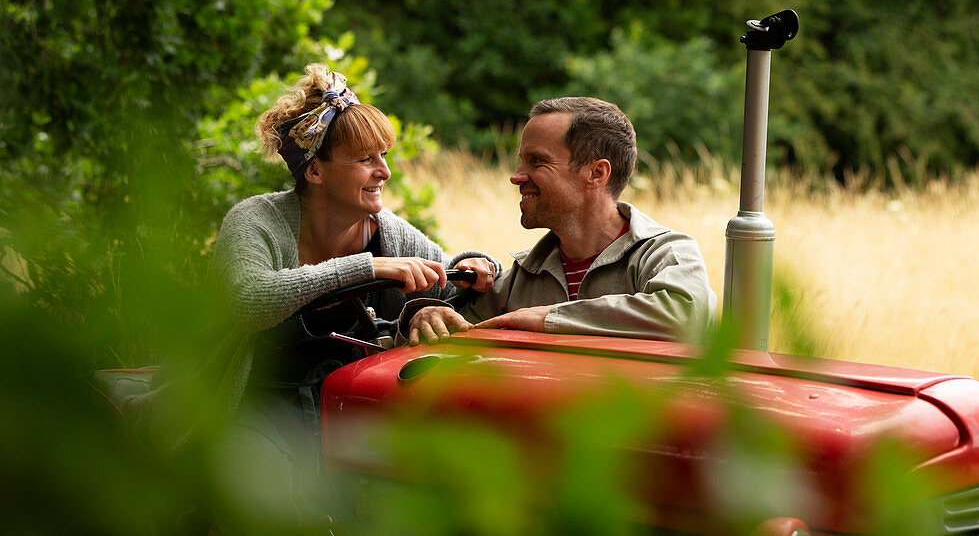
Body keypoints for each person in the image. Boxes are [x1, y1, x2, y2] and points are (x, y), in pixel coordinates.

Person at [130, 65, 498, 531]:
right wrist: (364, 268)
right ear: (316, 169)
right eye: (366, 158)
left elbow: (449, 278)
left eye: (384, 155)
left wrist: (471, 271)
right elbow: (249, 302)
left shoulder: (390, 233)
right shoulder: (256, 220)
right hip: (246, 403)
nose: (384, 171)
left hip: (341, 407)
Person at [401, 96, 715, 347]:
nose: (516, 176)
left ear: (597, 173)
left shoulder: (665, 253)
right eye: (521, 160)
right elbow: (446, 333)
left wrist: (547, 319)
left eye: (537, 161)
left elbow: (684, 317)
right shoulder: (523, 276)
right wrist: (425, 316)